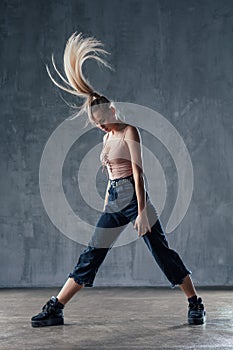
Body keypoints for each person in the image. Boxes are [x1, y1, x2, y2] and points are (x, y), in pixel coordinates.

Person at [31, 32, 206, 327]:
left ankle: (195, 303)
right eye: (98, 125)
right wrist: (106, 205)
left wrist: (140, 212)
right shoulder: (108, 136)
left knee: (162, 252)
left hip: (135, 197)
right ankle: (56, 307)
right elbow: (111, 175)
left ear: (112, 110)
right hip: (114, 199)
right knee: (92, 253)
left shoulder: (128, 131)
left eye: (104, 121)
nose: (102, 127)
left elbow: (138, 173)